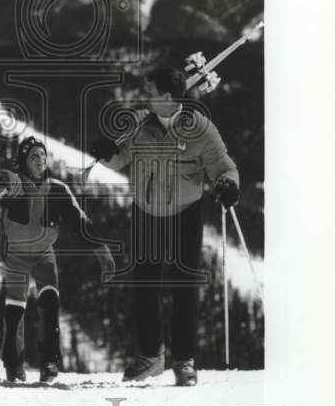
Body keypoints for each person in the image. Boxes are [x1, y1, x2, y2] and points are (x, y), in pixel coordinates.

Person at [89, 65, 240, 387]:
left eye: (150, 93)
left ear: (168, 97)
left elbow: (222, 165)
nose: (145, 98)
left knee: (184, 285)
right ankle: (150, 357)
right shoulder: (141, 124)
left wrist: (228, 184)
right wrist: (106, 154)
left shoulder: (201, 129)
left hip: (186, 211)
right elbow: (121, 157)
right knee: (145, 285)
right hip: (146, 210)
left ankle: (184, 360)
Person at [0, 135, 115, 384]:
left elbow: (80, 221)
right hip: (17, 256)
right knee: (14, 311)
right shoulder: (14, 185)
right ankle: (14, 363)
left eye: (43, 156)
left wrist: (101, 250)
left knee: (50, 305)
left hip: (45, 255)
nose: (40, 160)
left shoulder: (57, 189)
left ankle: (49, 361)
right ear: (23, 161)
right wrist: (5, 178)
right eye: (34, 156)